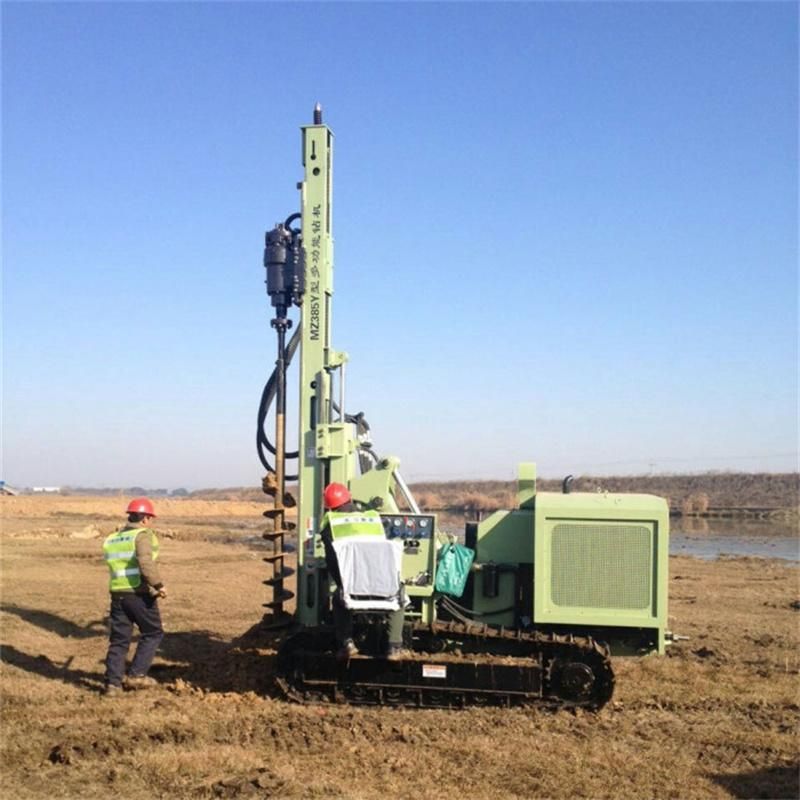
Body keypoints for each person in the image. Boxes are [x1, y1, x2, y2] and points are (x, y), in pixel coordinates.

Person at [319, 482, 406, 661]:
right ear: (350, 499)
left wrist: (344, 586)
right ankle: (394, 647)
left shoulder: (331, 526)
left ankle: (347, 644)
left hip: (353, 589)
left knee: (338, 599)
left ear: (329, 507)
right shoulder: (373, 519)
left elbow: (333, 564)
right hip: (383, 587)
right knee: (400, 597)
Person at [101, 497, 166, 696]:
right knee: (153, 632)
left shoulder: (113, 538)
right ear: (145, 518)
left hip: (117, 594)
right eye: (151, 518)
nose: (151, 522)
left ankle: (113, 685)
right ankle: (137, 675)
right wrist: (159, 585)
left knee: (119, 640)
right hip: (138, 593)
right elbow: (145, 563)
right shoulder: (142, 535)